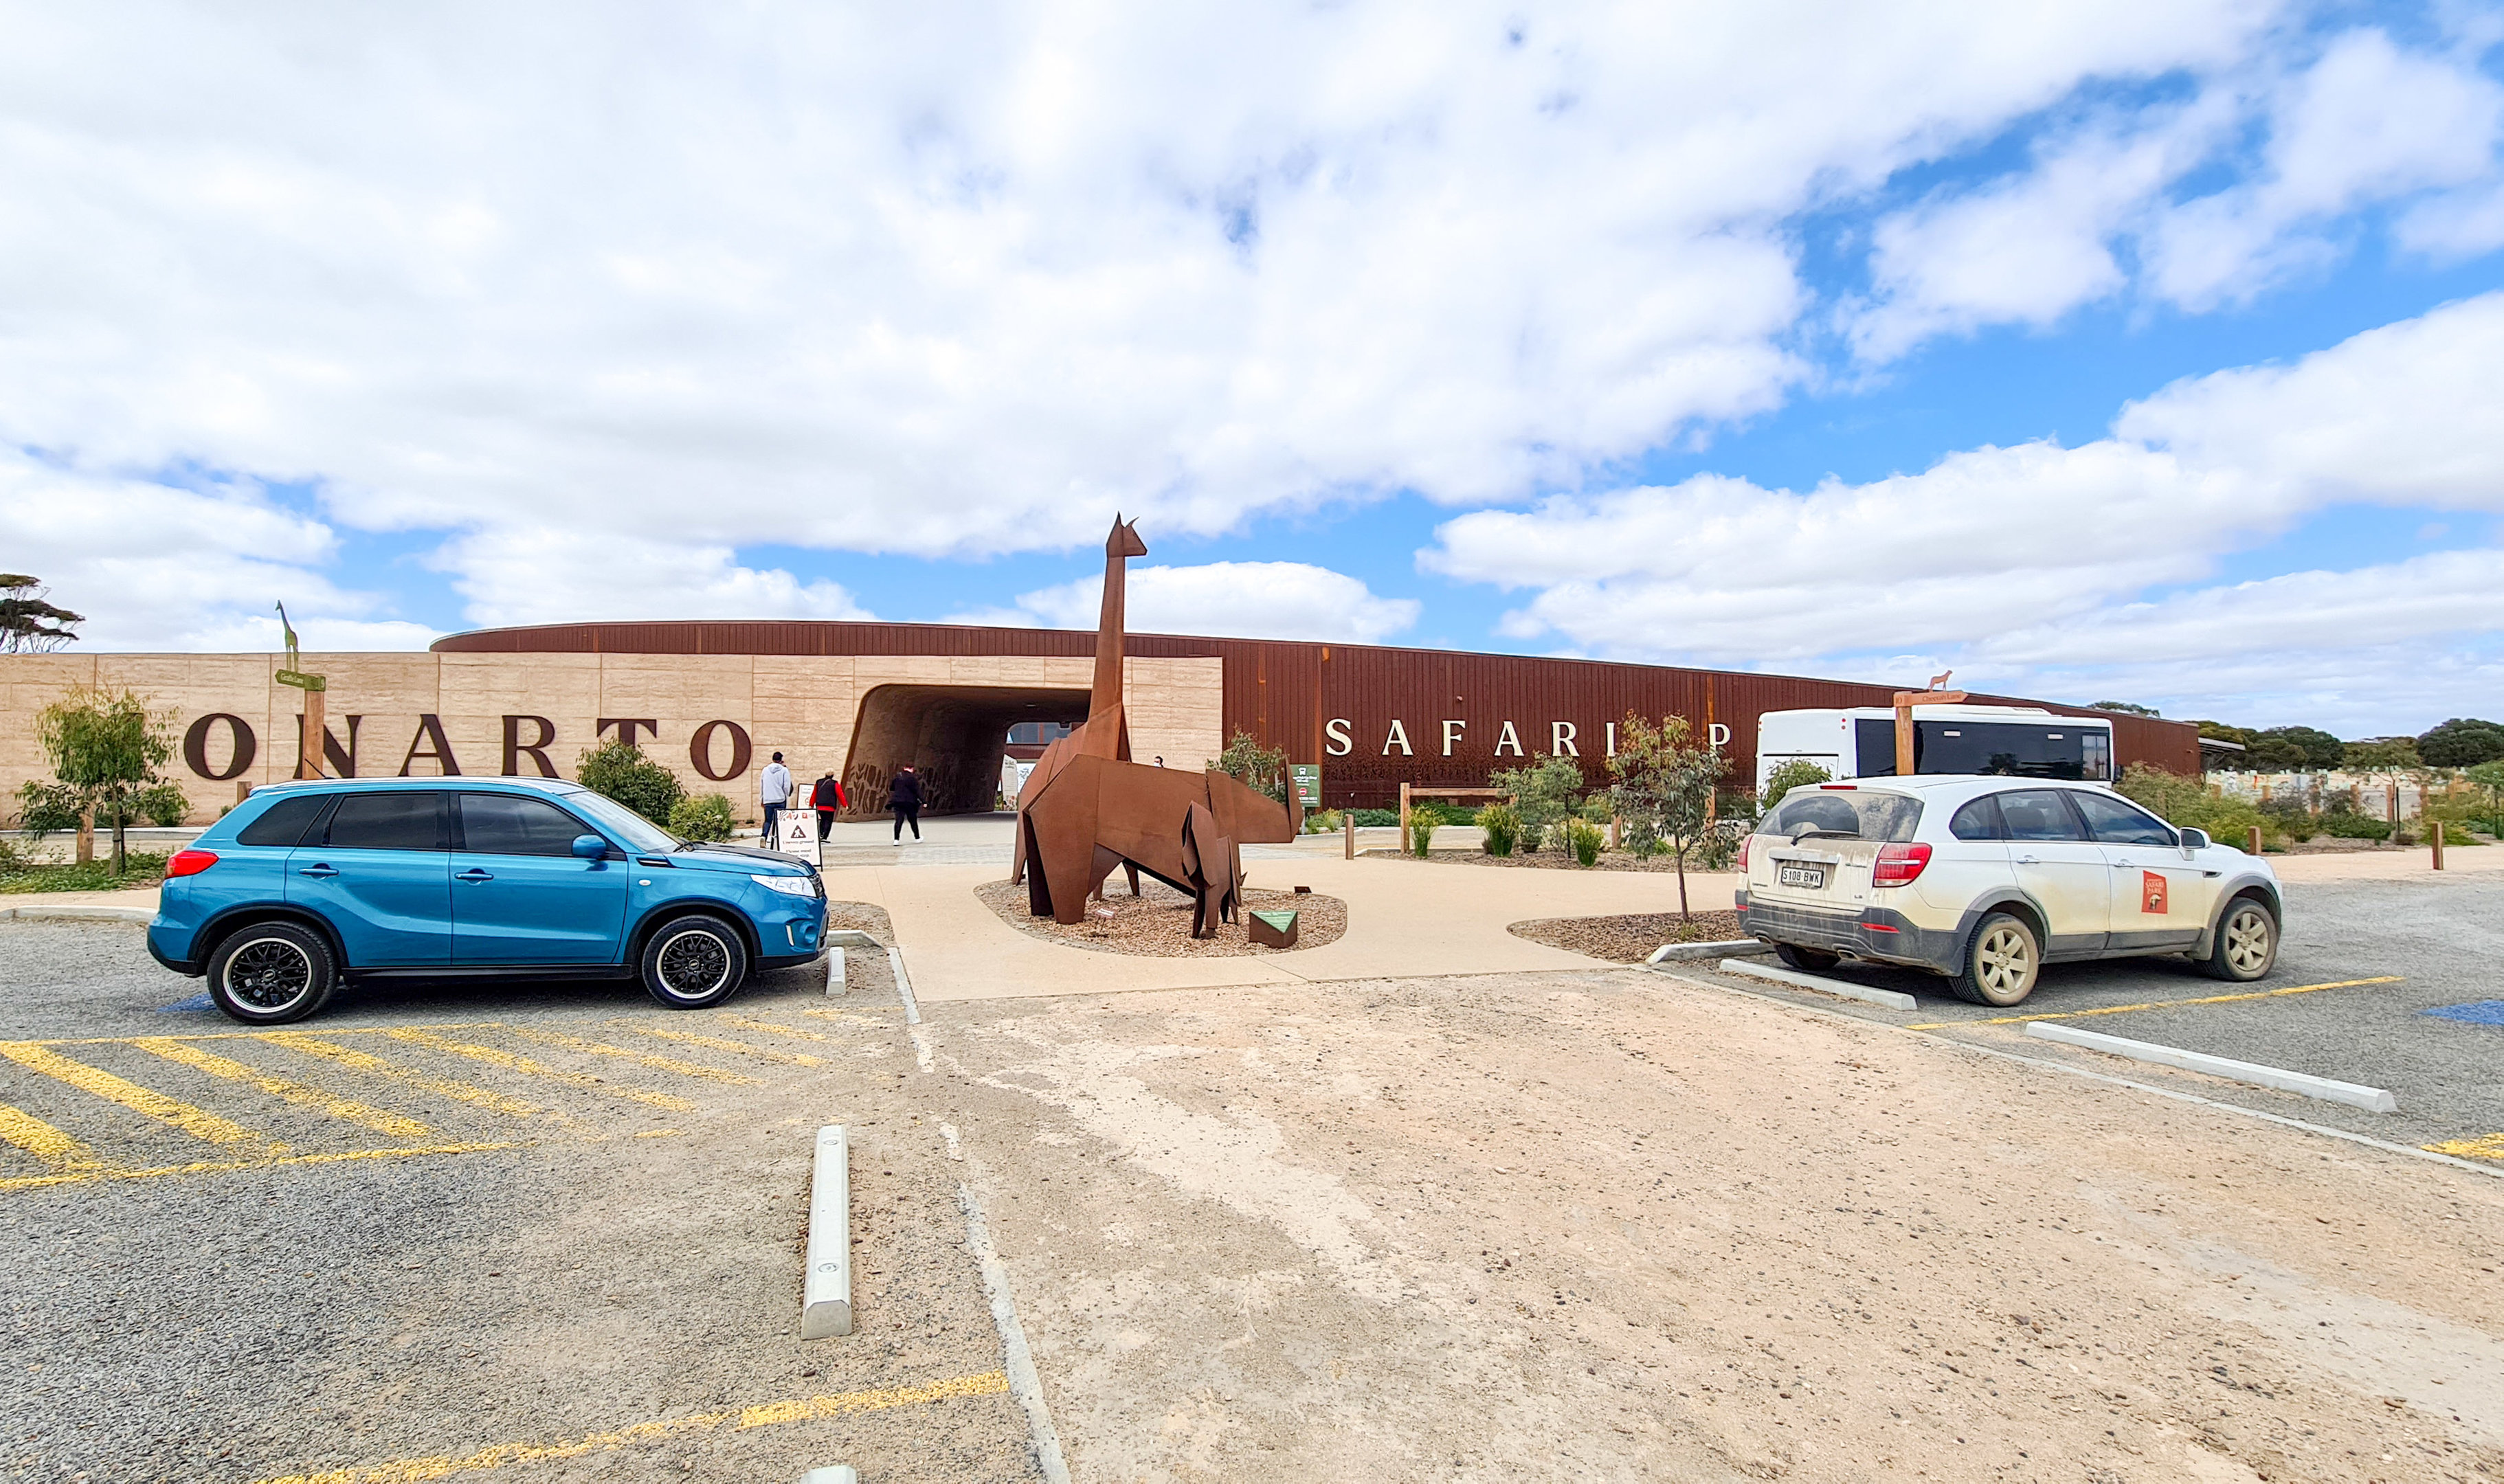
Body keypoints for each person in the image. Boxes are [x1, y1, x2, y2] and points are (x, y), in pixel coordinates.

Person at [759, 751, 793, 843]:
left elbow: (762, 785)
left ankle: (764, 836)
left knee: (768, 820)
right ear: (781, 760)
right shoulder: (784, 770)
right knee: (780, 820)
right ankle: (778, 838)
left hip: (768, 799)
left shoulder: (765, 770)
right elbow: (786, 785)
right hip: (780, 799)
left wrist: (762, 799)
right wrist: (787, 794)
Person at [889, 765, 922, 844]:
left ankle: (896, 840)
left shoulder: (897, 777)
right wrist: (923, 801)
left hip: (898, 801)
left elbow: (892, 788)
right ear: (912, 769)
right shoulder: (912, 778)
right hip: (909, 802)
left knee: (899, 821)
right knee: (913, 820)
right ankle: (917, 838)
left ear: (904, 768)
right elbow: (917, 791)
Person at [811, 771, 845, 840]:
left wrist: (811, 804)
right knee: (828, 821)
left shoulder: (819, 782)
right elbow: (840, 794)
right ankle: (825, 836)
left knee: (822, 821)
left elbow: (814, 793)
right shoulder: (835, 784)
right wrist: (845, 805)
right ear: (833, 775)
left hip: (820, 806)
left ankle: (821, 834)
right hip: (830, 807)